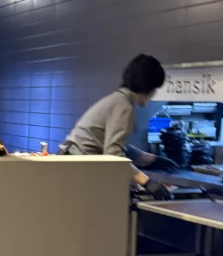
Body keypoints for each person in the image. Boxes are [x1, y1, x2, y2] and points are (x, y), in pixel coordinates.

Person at [58, 54, 175, 200]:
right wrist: (146, 181)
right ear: (149, 88)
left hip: (72, 163)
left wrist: (150, 159)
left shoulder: (118, 99)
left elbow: (116, 145)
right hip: (79, 168)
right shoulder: (124, 106)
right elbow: (113, 155)